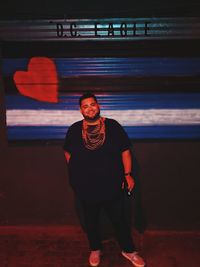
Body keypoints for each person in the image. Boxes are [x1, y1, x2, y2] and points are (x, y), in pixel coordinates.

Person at [63, 92, 145, 267]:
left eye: (92, 104)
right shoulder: (74, 129)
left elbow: (125, 151)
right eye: (85, 106)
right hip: (85, 186)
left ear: (98, 106)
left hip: (112, 184)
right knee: (91, 220)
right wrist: (77, 172)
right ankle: (95, 249)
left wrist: (128, 175)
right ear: (80, 110)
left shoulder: (113, 126)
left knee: (119, 219)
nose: (90, 108)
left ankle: (129, 250)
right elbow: (68, 152)